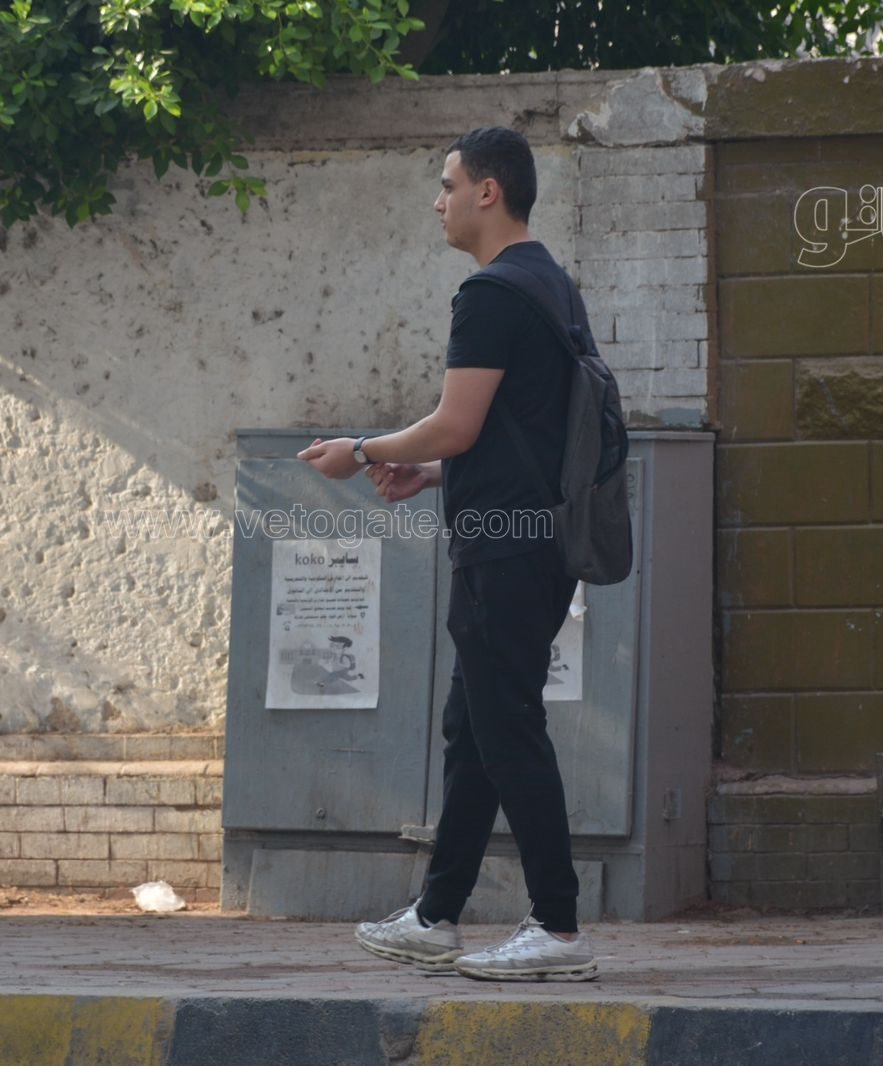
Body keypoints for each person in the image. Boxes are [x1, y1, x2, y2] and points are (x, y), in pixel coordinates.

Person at [297, 126, 597, 982]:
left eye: (447, 184)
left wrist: (362, 448)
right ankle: (436, 915)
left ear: (487, 192)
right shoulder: (552, 284)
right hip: (536, 538)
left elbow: (456, 423)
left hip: (504, 550)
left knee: (508, 728)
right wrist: (432, 473)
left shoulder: (492, 293)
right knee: (475, 728)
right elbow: (522, 433)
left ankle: (559, 927)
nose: (438, 202)